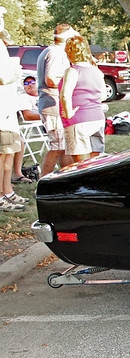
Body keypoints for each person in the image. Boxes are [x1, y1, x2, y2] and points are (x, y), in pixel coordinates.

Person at [38, 24, 79, 176]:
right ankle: (43, 181)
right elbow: (50, 79)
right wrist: (68, 84)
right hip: (52, 104)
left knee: (65, 146)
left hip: (55, 104)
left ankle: (66, 179)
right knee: (57, 146)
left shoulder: (53, 51)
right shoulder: (55, 52)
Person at [59, 35, 106, 162]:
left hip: (79, 121)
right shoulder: (96, 71)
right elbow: (103, 95)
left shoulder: (73, 70)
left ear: (68, 52)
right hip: (97, 118)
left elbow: (65, 95)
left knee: (81, 165)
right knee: (94, 163)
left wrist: (68, 113)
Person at [0, 8, 28, 211]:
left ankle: (8, 190)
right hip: (2, 109)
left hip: (9, 106)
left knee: (10, 151)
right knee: (2, 153)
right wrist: (15, 73)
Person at [10, 75, 40, 184]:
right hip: (40, 124)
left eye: (32, 82)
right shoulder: (25, 98)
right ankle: (16, 174)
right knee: (18, 141)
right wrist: (48, 115)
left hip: (46, 123)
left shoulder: (43, 95)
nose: (30, 84)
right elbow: (27, 116)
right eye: (26, 83)